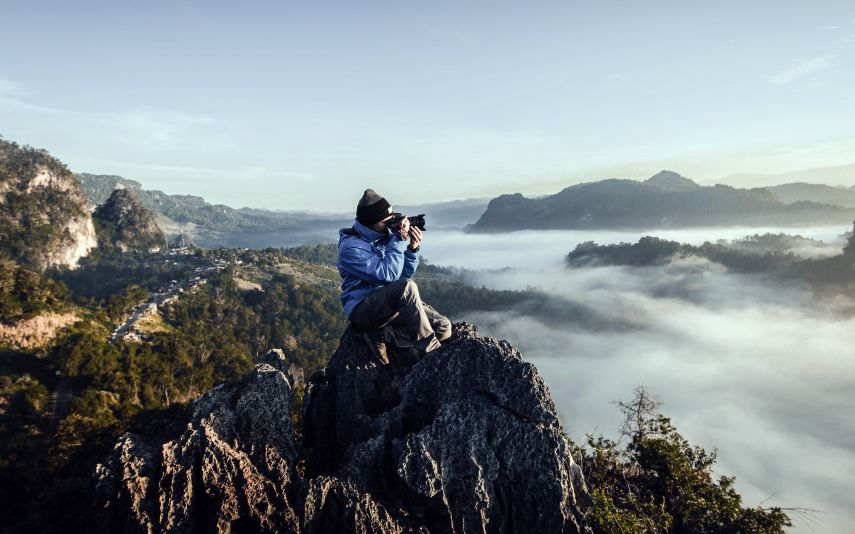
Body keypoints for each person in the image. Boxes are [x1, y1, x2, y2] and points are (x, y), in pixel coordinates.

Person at [337, 189, 451, 363]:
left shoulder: (383, 237)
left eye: (393, 218)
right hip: (363, 309)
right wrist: (397, 240)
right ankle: (431, 354)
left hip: (388, 306)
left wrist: (412, 250)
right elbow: (388, 276)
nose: (391, 224)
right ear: (371, 222)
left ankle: (385, 336)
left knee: (443, 327)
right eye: (387, 221)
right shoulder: (351, 248)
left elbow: (400, 276)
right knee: (408, 286)